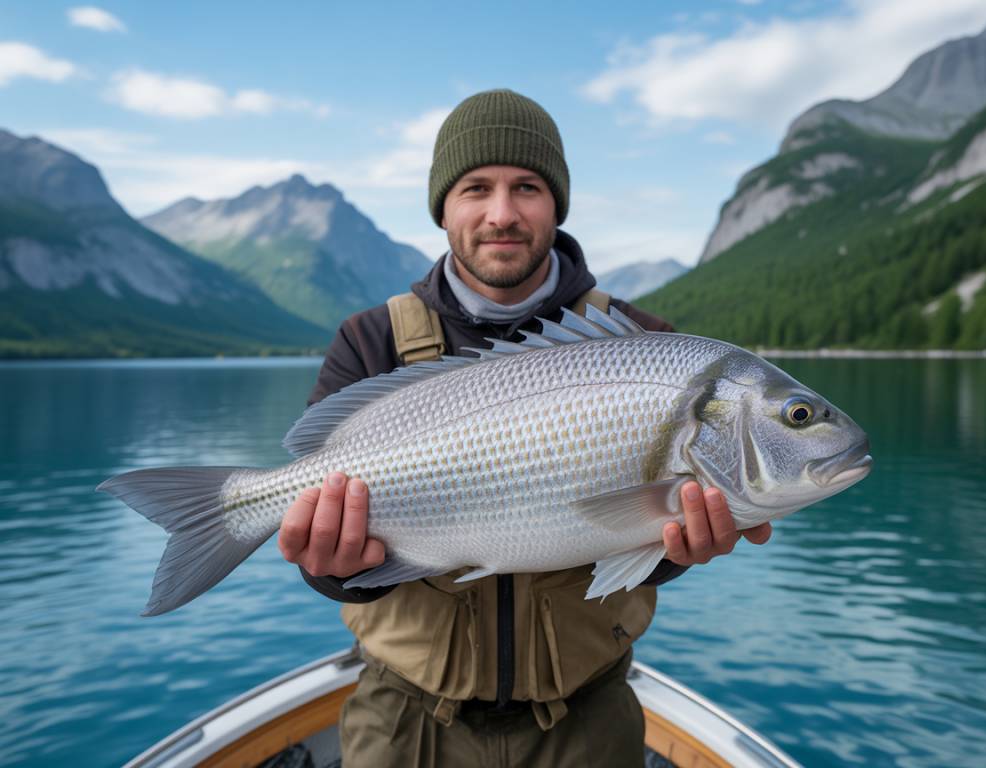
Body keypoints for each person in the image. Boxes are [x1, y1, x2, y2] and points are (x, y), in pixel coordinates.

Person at [278, 89, 772, 767]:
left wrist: (678, 551)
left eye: (527, 187)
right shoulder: (370, 341)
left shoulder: (645, 343)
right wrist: (329, 566)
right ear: (443, 207)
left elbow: (643, 549)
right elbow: (333, 569)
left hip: (588, 719)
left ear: (556, 204)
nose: (502, 213)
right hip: (405, 720)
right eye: (476, 188)